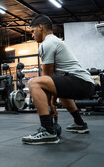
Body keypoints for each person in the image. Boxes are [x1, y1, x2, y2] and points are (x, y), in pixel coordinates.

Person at [22, 15, 94, 145]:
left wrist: (51, 104)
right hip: (85, 83)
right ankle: (80, 123)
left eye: (32, 31)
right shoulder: (56, 41)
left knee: (34, 82)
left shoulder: (47, 44)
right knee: (62, 91)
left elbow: (46, 77)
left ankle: (48, 131)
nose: (32, 35)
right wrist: (53, 102)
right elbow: (53, 81)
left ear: (40, 27)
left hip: (79, 81)